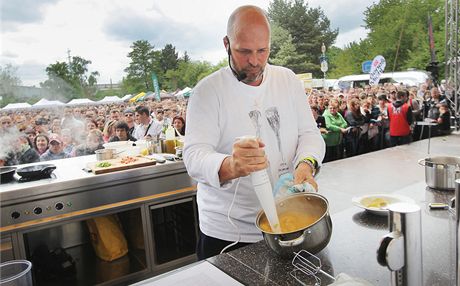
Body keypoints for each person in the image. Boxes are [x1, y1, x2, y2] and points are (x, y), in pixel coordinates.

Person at [183, 5, 325, 260]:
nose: (255, 61)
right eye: (244, 51)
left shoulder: (288, 80)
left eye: (263, 50)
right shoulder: (207, 91)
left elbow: (309, 134)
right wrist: (231, 164)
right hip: (229, 232)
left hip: (290, 218)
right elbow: (193, 156)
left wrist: (306, 165)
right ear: (226, 44)